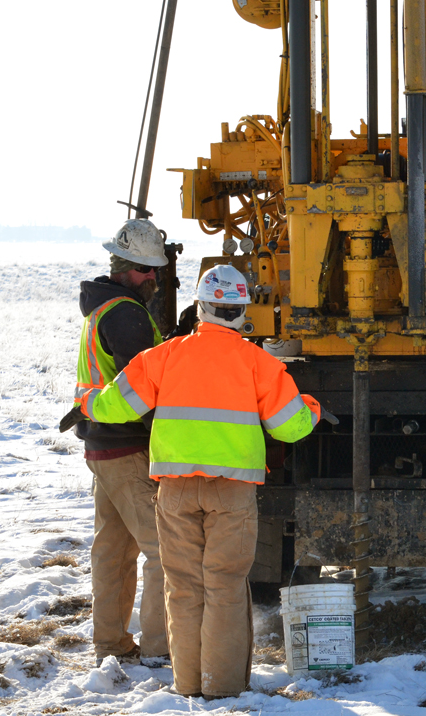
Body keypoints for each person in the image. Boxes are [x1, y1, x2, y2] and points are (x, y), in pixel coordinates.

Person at [75, 264, 323, 698]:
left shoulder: (165, 356)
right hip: (232, 492)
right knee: (225, 585)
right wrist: (311, 407)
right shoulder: (258, 363)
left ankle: (189, 684)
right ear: (242, 310)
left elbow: (118, 405)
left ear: (201, 306)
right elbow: (290, 427)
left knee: (183, 587)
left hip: (174, 491)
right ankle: (222, 689)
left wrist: (88, 401)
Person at [73, 218, 169, 668]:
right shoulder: (128, 314)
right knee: (163, 552)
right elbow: (141, 388)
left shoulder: (103, 307)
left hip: (101, 446)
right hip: (127, 446)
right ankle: (160, 647)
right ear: (129, 268)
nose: (154, 279)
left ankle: (110, 643)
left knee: (112, 551)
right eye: (149, 271)